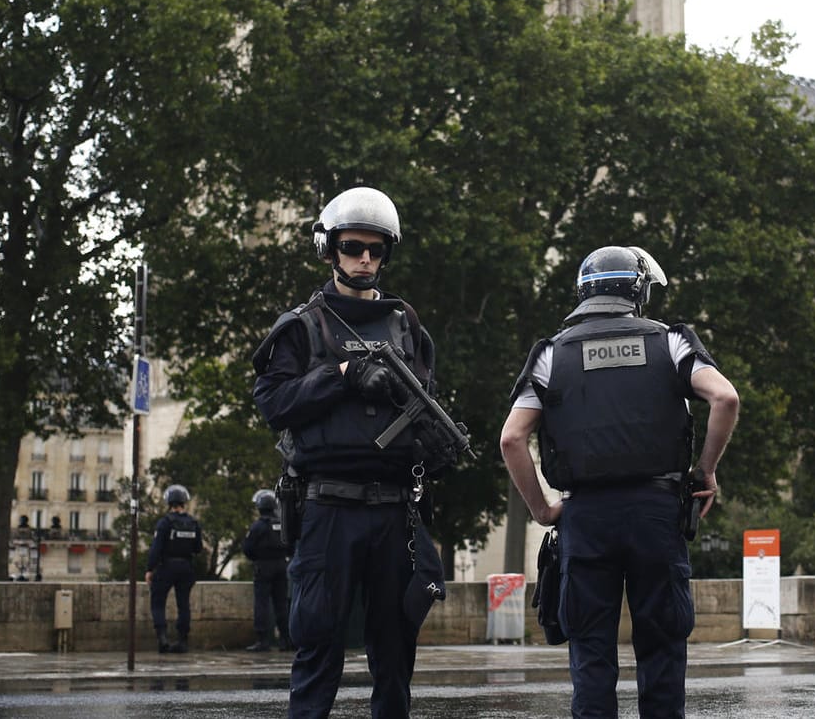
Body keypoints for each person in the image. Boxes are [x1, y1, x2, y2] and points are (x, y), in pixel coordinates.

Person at [500, 245, 741, 719]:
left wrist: (544, 510)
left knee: (591, 653)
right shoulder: (670, 343)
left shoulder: (551, 355)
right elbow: (725, 398)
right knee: (663, 648)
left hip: (585, 517)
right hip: (656, 514)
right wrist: (705, 471)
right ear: (636, 292)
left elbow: (512, 439)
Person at [252, 186, 451, 719]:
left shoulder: (406, 325)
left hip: (394, 509)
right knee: (318, 644)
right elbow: (272, 403)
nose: (364, 259)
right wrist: (341, 375)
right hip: (329, 507)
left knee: (395, 648)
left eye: (375, 249)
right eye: (352, 247)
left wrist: (431, 440)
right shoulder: (302, 326)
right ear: (329, 248)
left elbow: (428, 399)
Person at [146, 483, 204, 654]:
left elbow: (156, 548)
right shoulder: (193, 523)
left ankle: (162, 639)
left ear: (169, 503)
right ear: (184, 503)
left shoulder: (165, 522)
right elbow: (198, 548)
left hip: (167, 566)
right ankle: (182, 641)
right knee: (183, 604)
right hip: (186, 567)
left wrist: (150, 568)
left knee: (157, 602)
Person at [244, 487, 293, 652]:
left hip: (263, 566)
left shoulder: (258, 526)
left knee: (262, 604)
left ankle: (262, 640)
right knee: (282, 604)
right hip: (281, 565)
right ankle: (286, 640)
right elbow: (291, 545)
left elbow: (248, 548)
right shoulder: (282, 524)